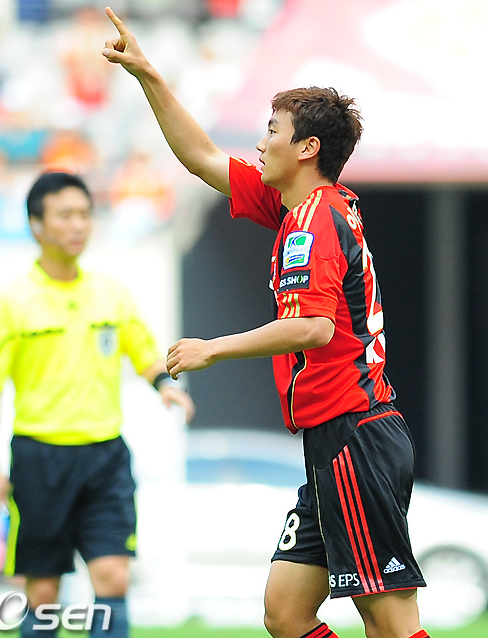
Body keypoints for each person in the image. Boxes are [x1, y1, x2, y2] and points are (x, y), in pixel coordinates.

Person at [102, 8, 430, 638]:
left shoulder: (314, 221)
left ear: (307, 148)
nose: (259, 142)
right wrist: (148, 75)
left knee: (389, 622)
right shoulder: (298, 207)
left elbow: (314, 328)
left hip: (355, 436)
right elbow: (201, 156)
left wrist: (212, 349)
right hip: (333, 440)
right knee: (286, 613)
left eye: (272, 130)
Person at [0, 170, 194, 638]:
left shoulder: (110, 293)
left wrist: (165, 384)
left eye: (85, 214)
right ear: (36, 225)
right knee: (42, 591)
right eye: (65, 215)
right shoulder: (11, 301)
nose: (78, 225)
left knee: (113, 577)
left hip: (105, 457)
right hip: (40, 458)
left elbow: (142, 351)